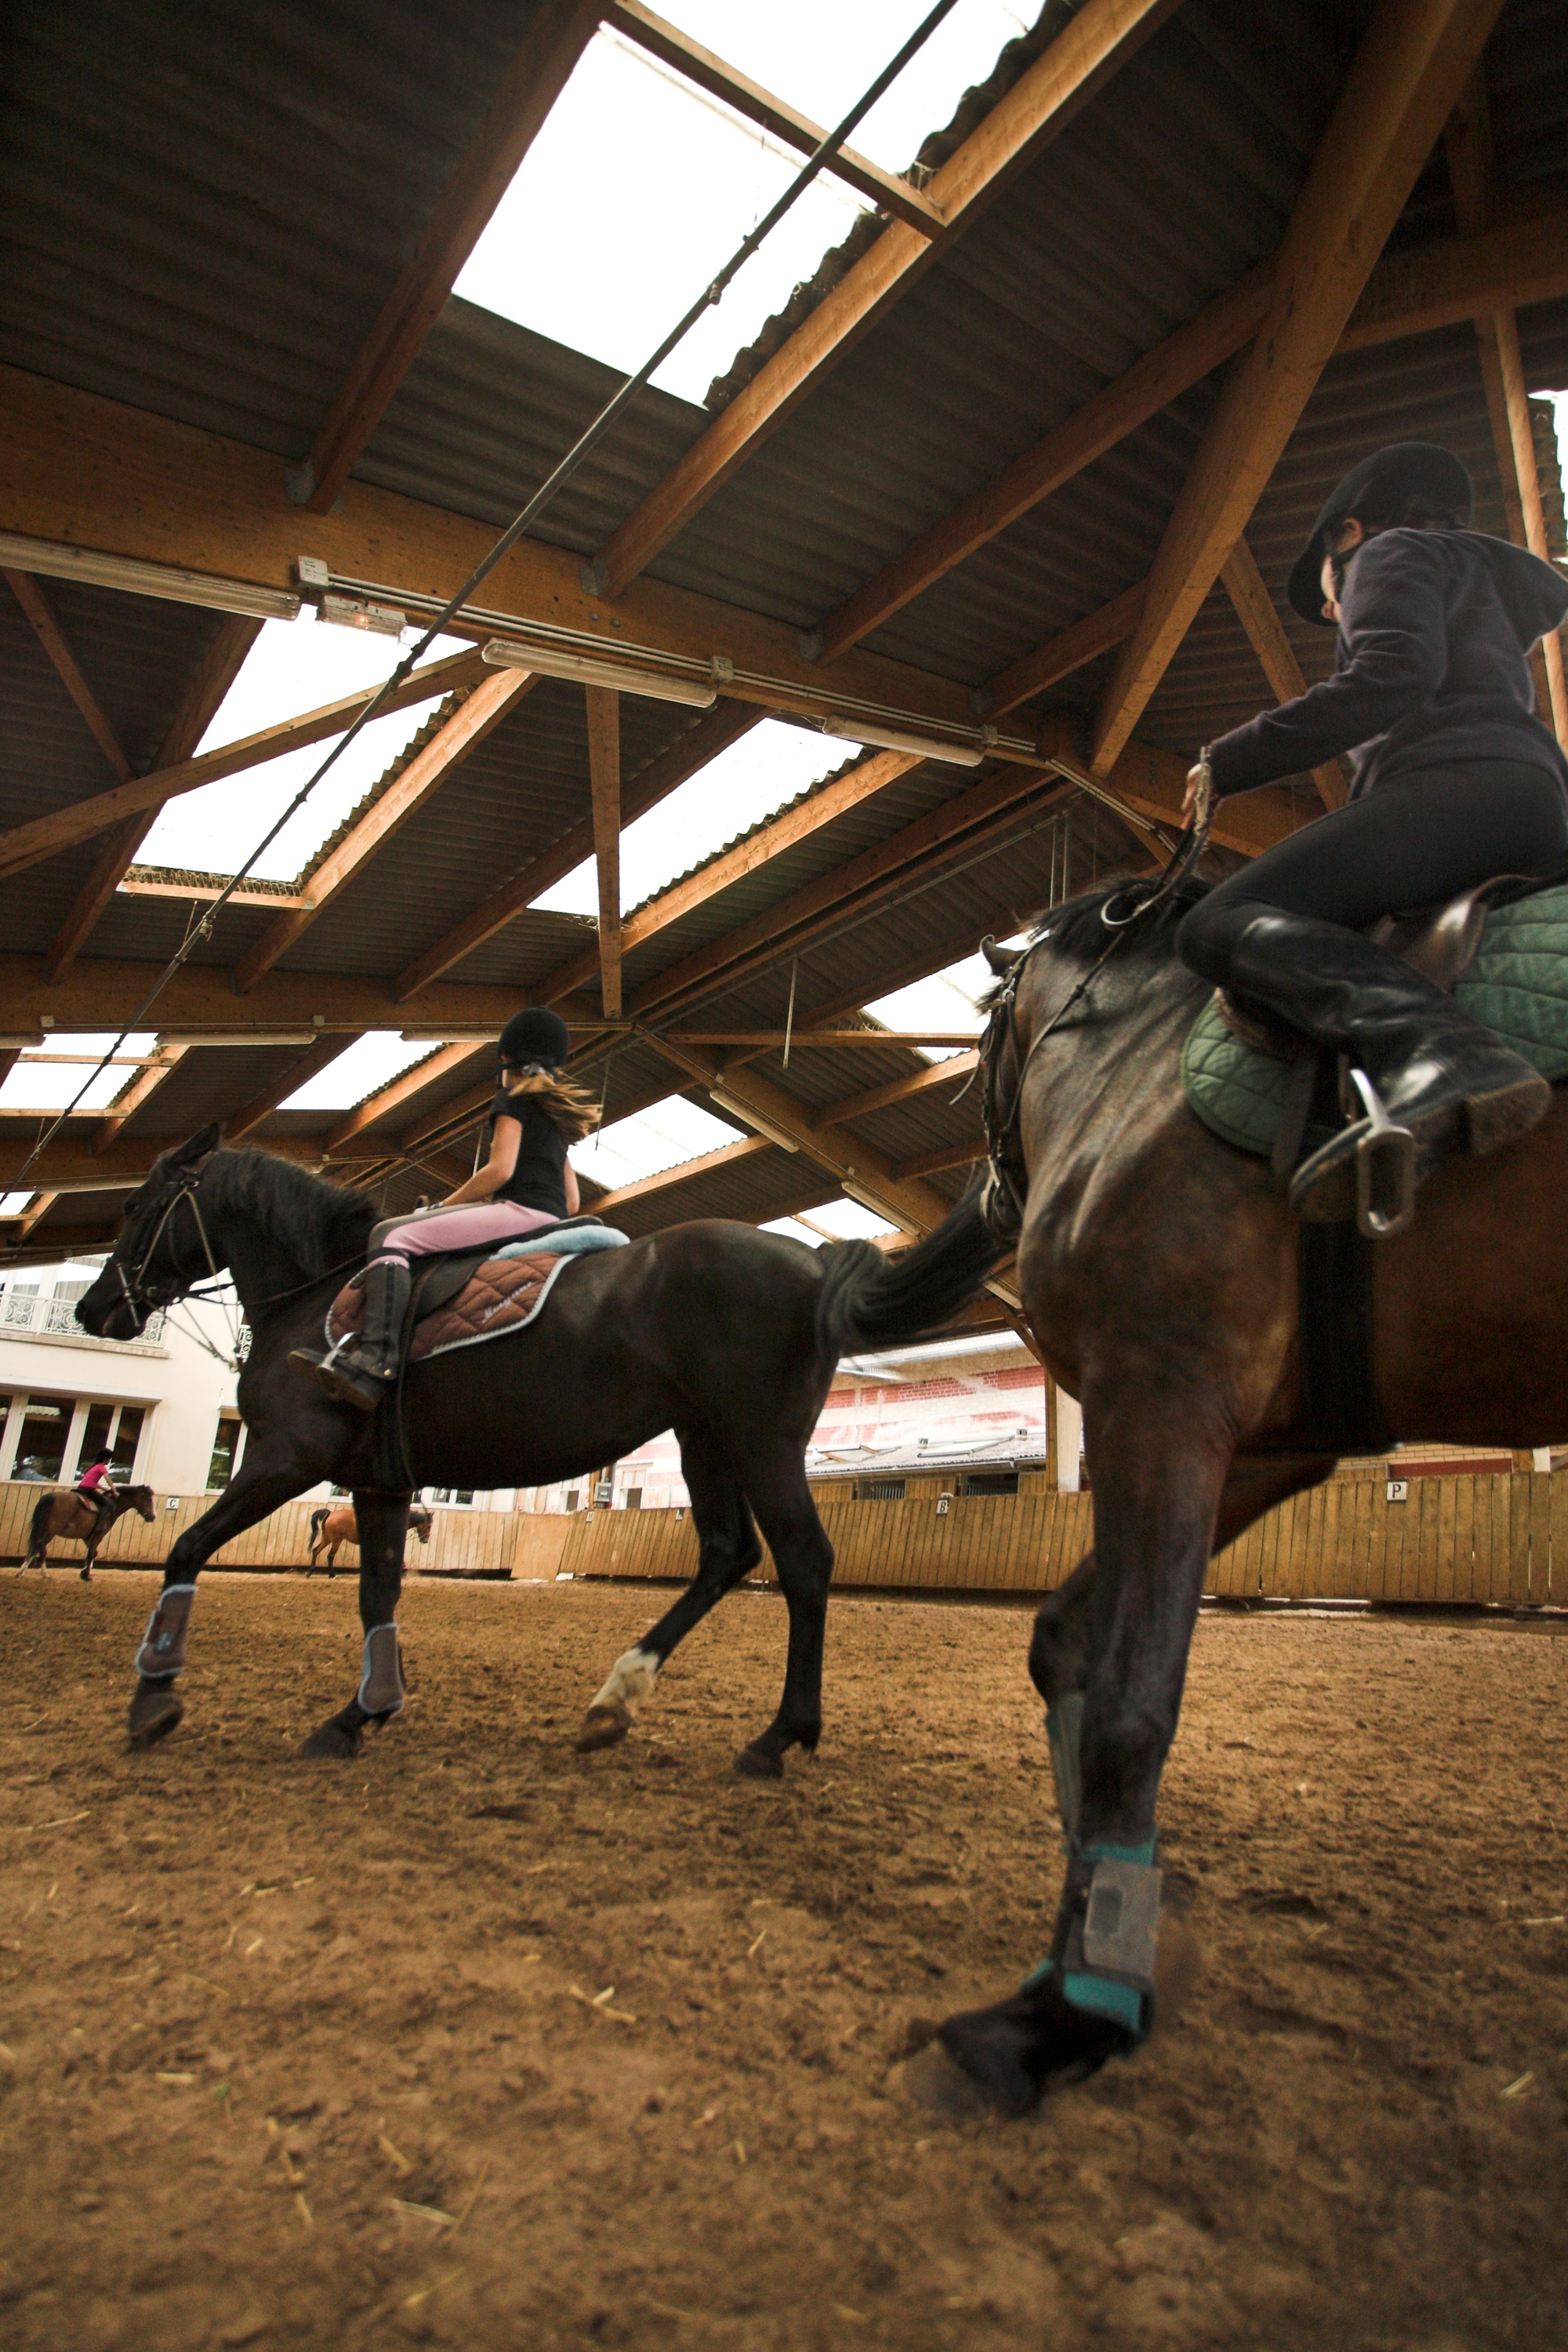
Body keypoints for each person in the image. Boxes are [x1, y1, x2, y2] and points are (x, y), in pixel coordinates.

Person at [1175, 441, 1568, 1215]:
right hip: (1529, 796)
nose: (1331, 608)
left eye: (1324, 588)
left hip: (1458, 791)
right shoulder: (1477, 581)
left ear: (1345, 535)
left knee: (1211, 924)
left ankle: (1433, 1049)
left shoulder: (1386, 555)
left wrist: (1229, 760)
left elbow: (1392, 674)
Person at [290, 1008, 600, 1410]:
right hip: (552, 1220)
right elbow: (572, 1202)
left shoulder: (510, 1103)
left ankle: (375, 1358)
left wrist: (440, 1209)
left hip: (518, 1210)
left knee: (393, 1235)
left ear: (508, 1063)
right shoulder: (556, 1119)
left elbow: (500, 1170)